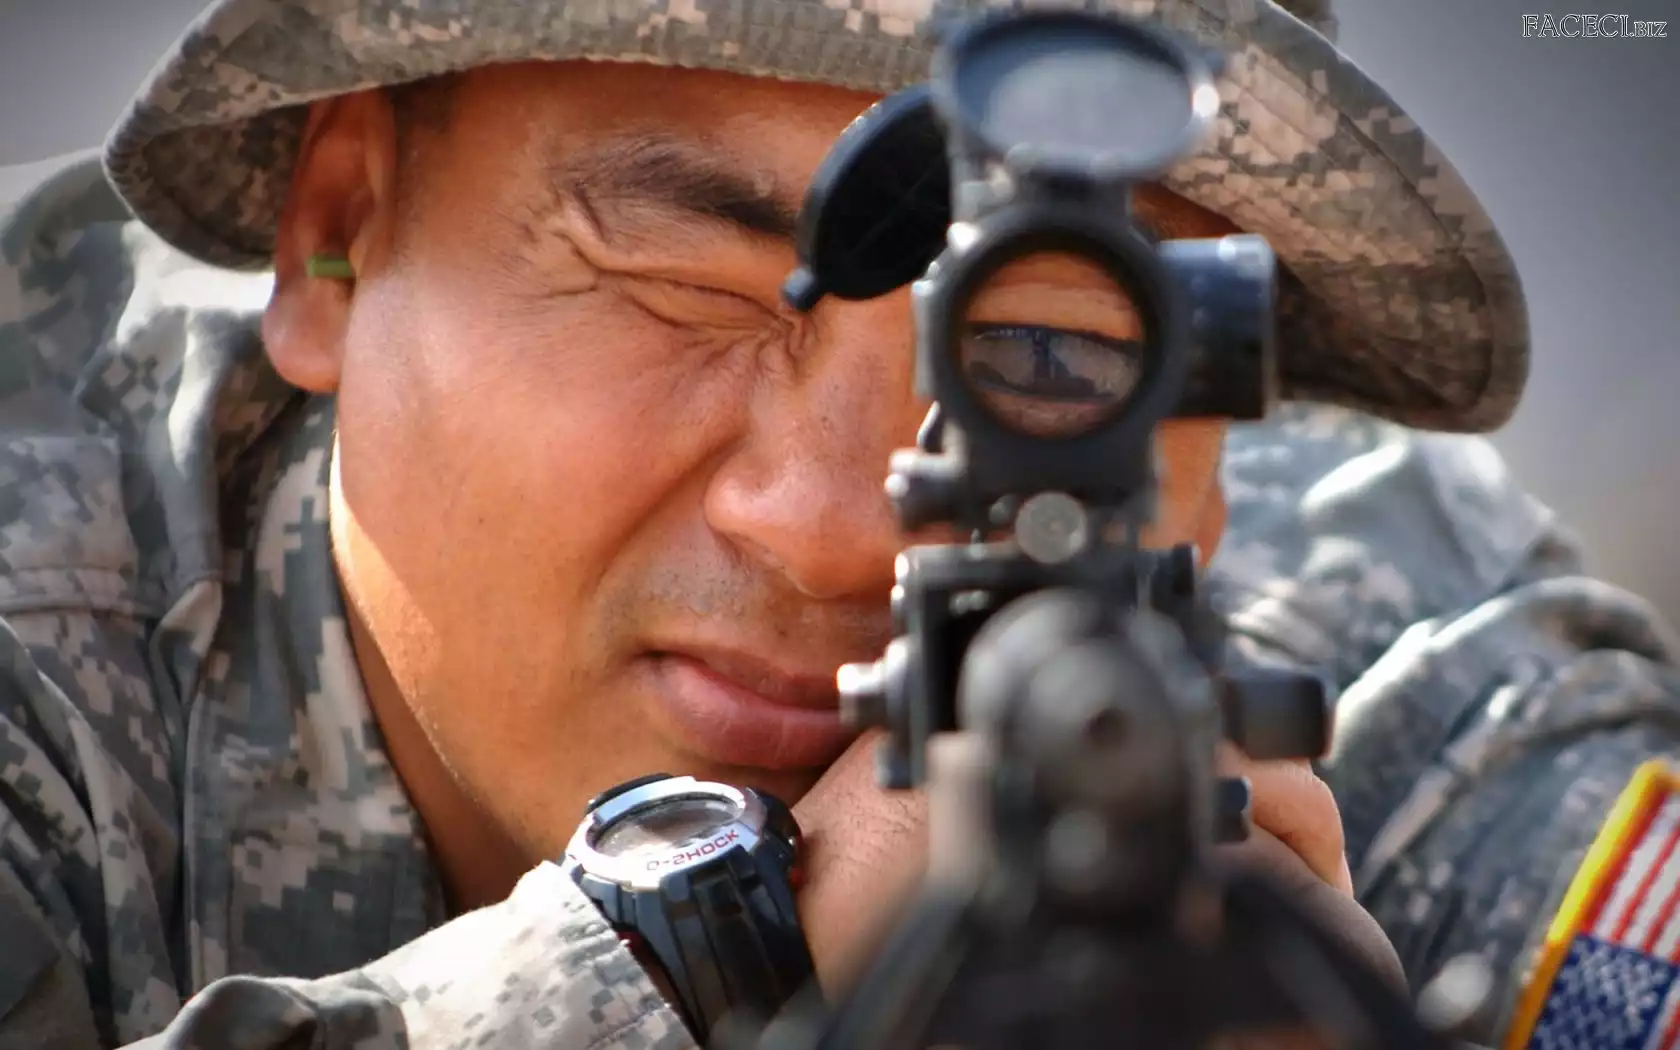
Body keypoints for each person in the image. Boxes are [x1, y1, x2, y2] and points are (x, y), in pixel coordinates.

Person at [3, 0, 1676, 1047]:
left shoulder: (1391, 660)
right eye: (681, 291)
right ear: (336, 235)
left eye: (1051, 358)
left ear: (1222, 422)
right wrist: (691, 969)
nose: (828, 528)